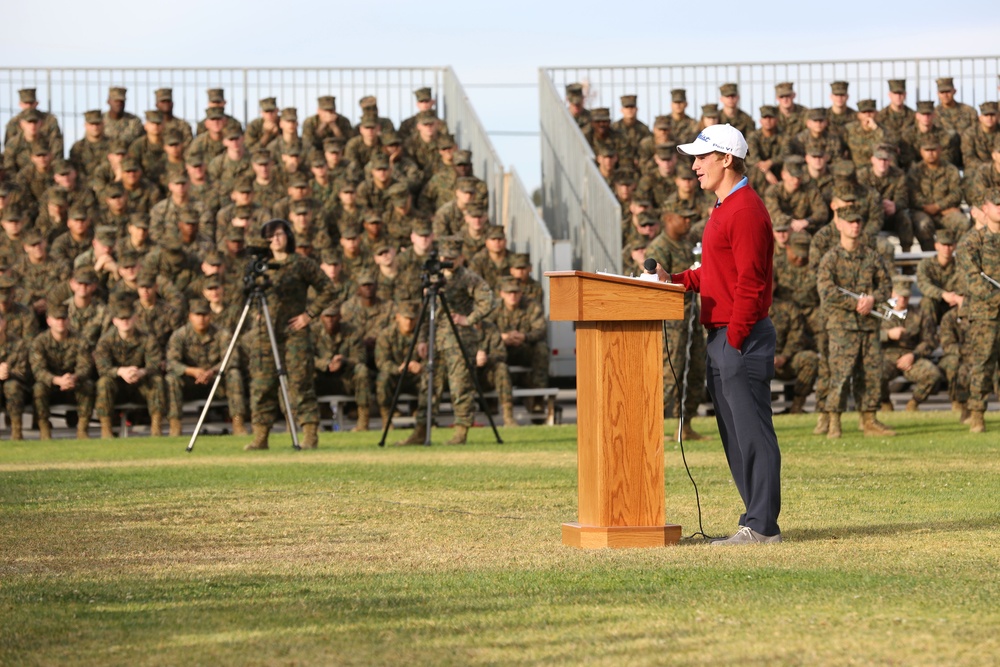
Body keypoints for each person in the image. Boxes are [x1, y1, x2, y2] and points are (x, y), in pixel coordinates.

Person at [664, 123, 781, 546]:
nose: (694, 166)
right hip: (726, 338)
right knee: (736, 435)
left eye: (701, 157)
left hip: (739, 339)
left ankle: (763, 526)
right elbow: (714, 273)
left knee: (752, 433)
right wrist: (673, 280)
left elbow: (751, 282)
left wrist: (733, 339)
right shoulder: (725, 207)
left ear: (726, 159)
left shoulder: (745, 210)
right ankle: (755, 522)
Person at [245, 219, 337, 450]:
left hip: (294, 332)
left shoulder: (301, 263)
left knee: (300, 382)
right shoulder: (259, 265)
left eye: (279, 234)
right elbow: (242, 291)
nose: (275, 239)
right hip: (265, 332)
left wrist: (309, 314)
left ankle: (309, 434)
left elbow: (328, 289)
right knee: (262, 383)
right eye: (270, 236)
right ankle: (260, 436)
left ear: (288, 236)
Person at [816, 208, 895, 438]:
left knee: (870, 374)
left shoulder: (871, 256)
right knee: (840, 375)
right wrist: (856, 304)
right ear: (839, 224)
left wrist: (873, 299)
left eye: (858, 221)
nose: (855, 226)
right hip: (842, 326)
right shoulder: (831, 258)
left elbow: (885, 285)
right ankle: (833, 421)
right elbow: (826, 291)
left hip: (869, 325)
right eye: (850, 222)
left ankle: (869, 419)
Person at [166, 299, 248, 437]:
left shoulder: (222, 334)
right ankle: (175, 426)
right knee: (171, 379)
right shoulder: (180, 335)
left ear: (210, 316)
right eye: (197, 315)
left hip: (216, 382)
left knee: (234, 374)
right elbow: (171, 362)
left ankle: (238, 424)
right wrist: (191, 371)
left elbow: (231, 359)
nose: (201, 319)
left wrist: (212, 371)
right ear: (190, 316)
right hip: (190, 383)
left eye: (204, 315)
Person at [954, 191, 1000, 433]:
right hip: (985, 314)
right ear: (986, 208)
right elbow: (973, 280)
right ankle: (977, 414)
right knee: (982, 365)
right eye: (997, 205)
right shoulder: (973, 241)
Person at [94, 300, 166, 438]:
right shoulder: (106, 340)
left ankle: (156, 428)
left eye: (128, 318)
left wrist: (141, 372)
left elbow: (155, 363)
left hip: (140, 383)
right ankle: (106, 429)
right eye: (121, 319)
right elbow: (102, 367)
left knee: (157, 380)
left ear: (135, 318)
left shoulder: (147, 338)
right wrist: (120, 371)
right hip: (117, 384)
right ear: (115, 321)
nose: (125, 322)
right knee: (103, 382)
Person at [30, 303, 96, 440]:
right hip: (51, 385)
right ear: (48, 321)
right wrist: (57, 380)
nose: (60, 322)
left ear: (68, 320)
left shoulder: (80, 340)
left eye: (64, 318)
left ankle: (82, 429)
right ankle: (45, 431)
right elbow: (38, 370)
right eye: (57, 319)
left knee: (88, 385)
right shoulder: (39, 342)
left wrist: (74, 378)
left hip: (73, 384)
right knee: (38, 388)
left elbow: (85, 366)